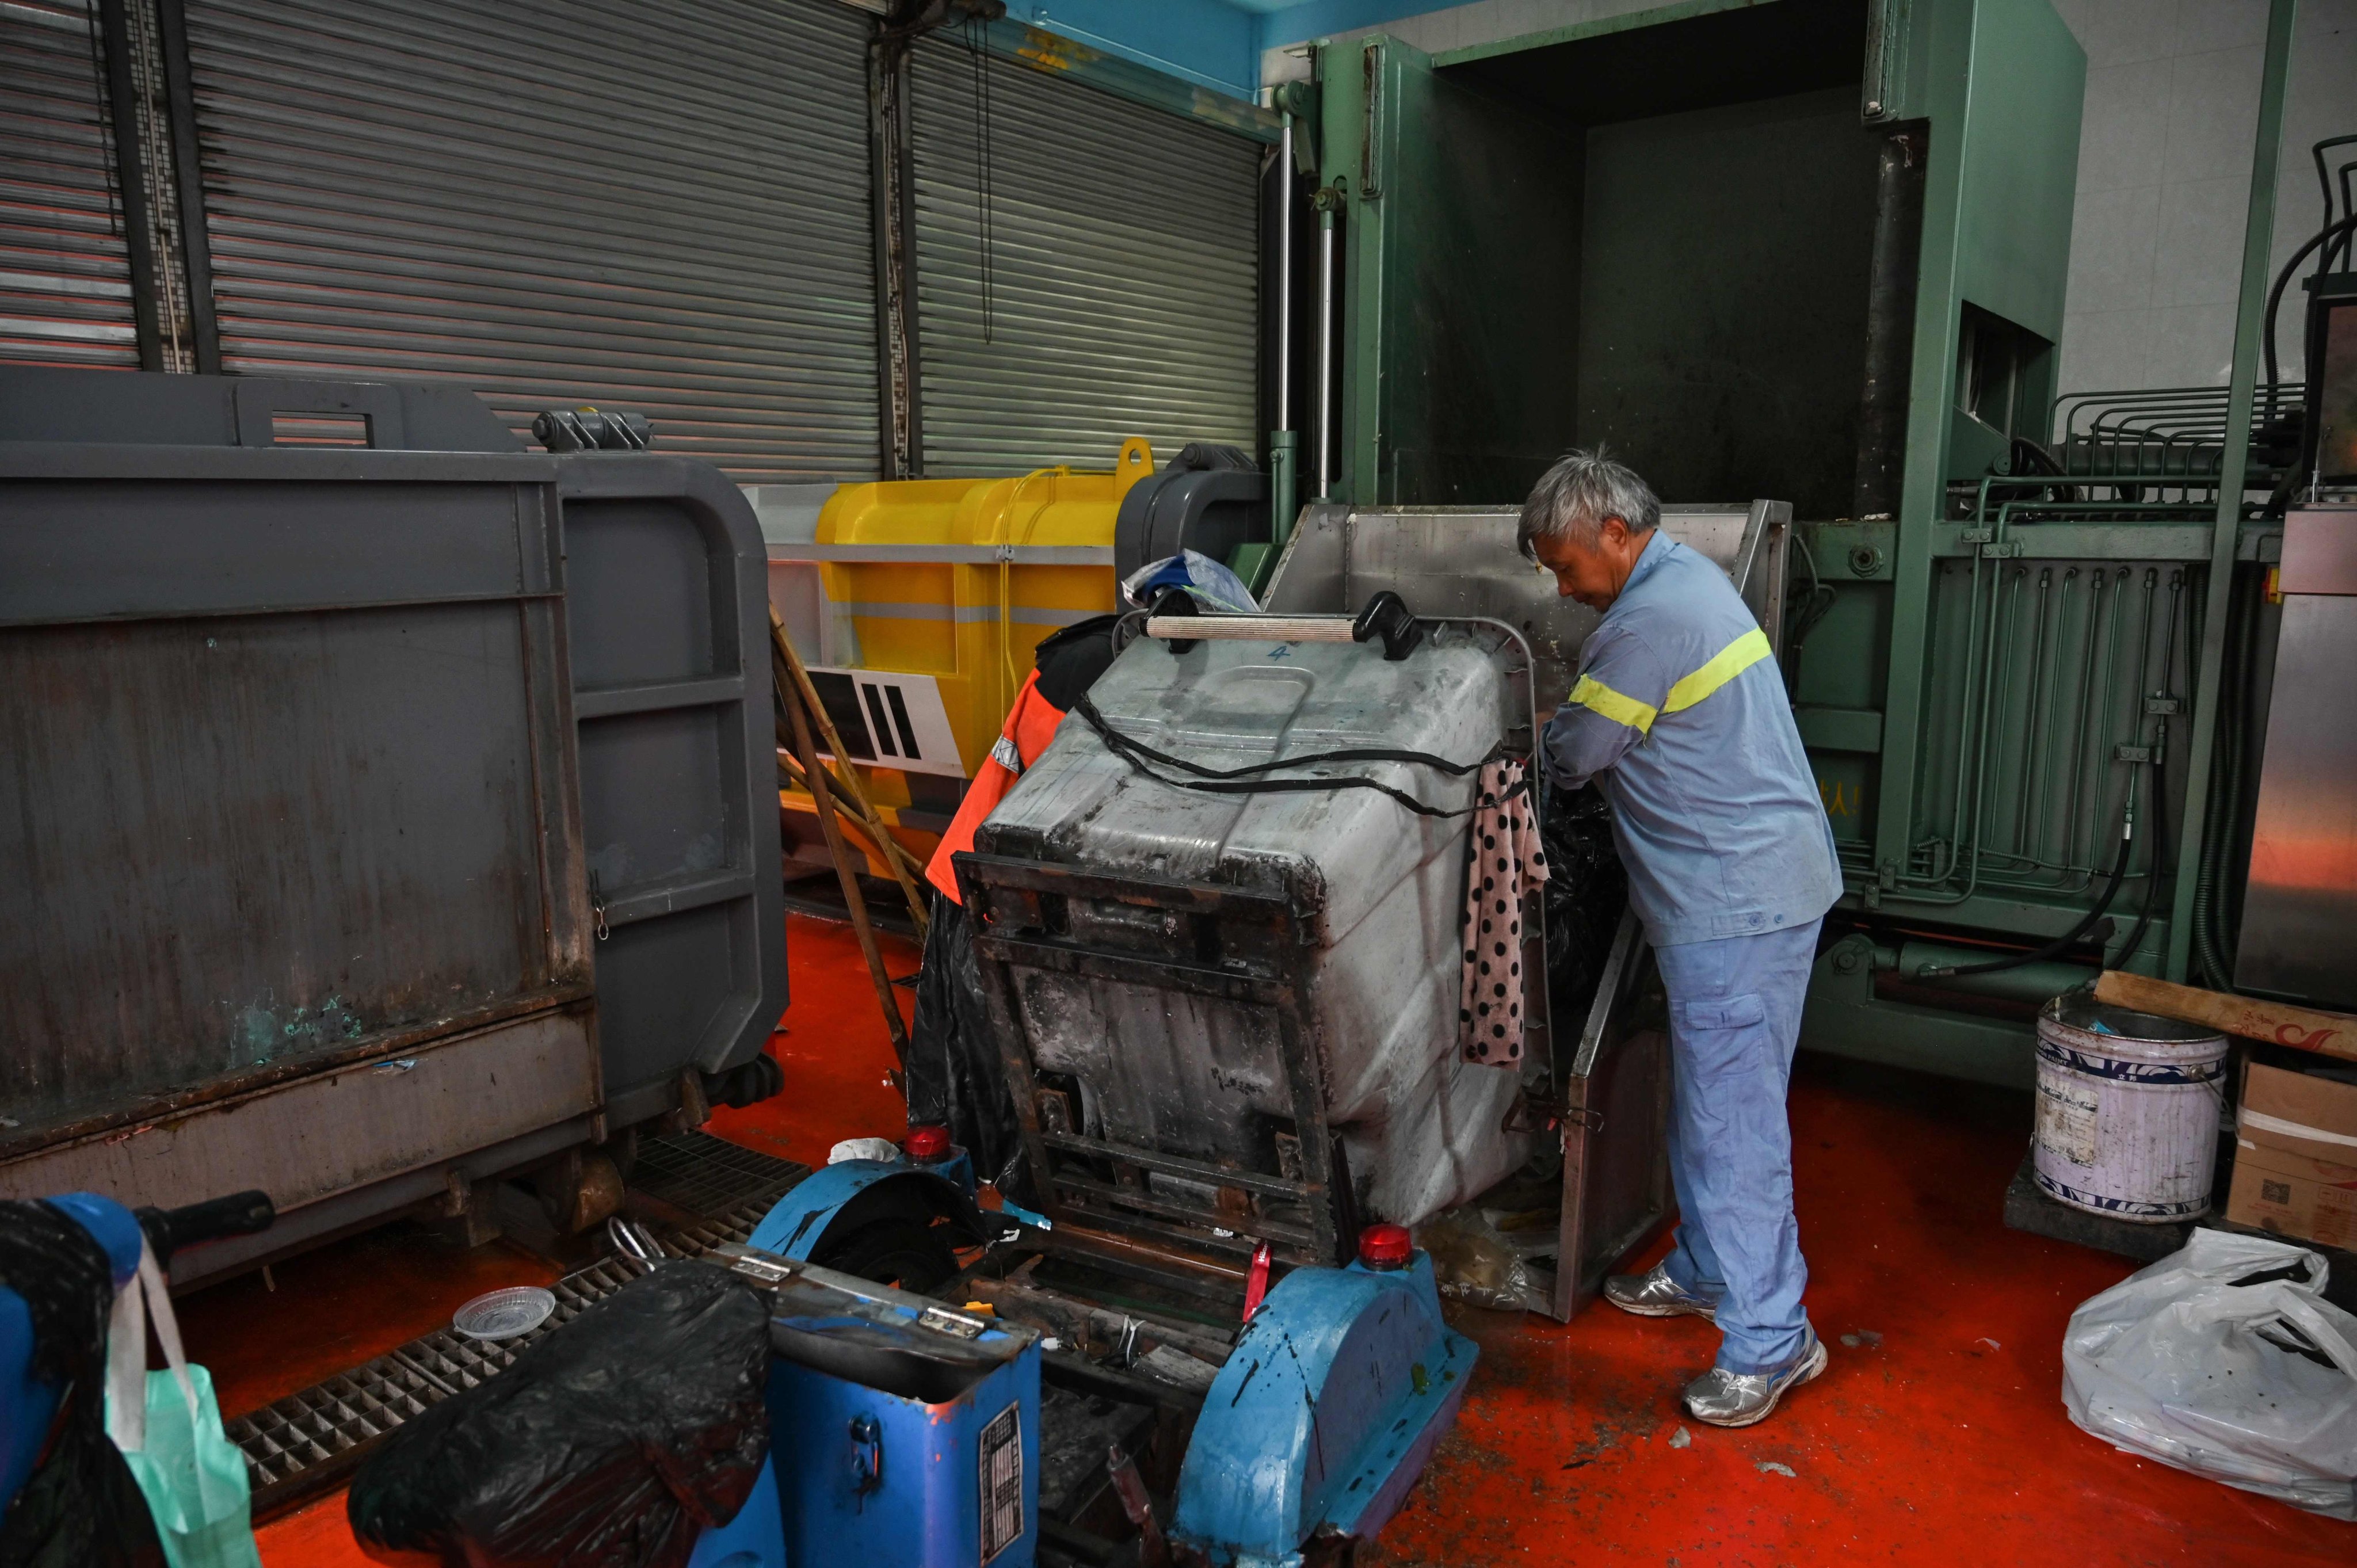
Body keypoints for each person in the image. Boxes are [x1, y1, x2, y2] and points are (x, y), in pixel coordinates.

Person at [1523, 449, 1841, 1429]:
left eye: (1566, 565)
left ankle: (1772, 1338)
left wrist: (1542, 728)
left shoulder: (1647, 622)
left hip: (1739, 905)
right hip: (1742, 892)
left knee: (1736, 1125)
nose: (1562, 587)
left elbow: (1575, 754)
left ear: (1616, 534)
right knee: (1709, 1103)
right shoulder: (1684, 579)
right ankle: (1708, 1266)